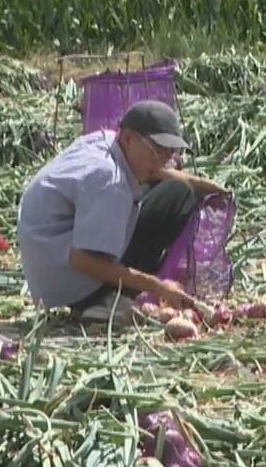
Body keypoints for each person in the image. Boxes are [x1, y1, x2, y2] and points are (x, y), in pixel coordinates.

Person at [18, 100, 228, 323]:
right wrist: (158, 286)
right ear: (129, 138)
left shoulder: (106, 141)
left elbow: (159, 172)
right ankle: (102, 301)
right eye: (156, 151)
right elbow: (82, 260)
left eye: (169, 153)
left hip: (50, 263)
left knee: (177, 187)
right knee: (177, 196)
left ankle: (101, 296)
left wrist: (199, 183)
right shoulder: (109, 180)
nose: (163, 161)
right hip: (73, 282)